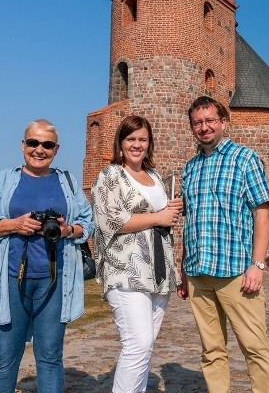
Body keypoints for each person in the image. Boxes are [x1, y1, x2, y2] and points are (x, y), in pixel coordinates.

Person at [0, 119, 94, 393]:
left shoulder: (67, 182)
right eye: (33, 143)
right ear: (23, 145)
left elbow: (88, 224)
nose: (39, 150)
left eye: (47, 144)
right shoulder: (5, 179)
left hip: (55, 281)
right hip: (10, 280)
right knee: (5, 359)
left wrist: (66, 230)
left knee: (51, 358)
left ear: (56, 149)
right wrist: (14, 224)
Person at [176, 96, 269, 393]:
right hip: (199, 274)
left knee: (255, 348)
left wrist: (257, 265)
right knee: (211, 351)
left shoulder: (244, 158)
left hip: (236, 272)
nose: (204, 127)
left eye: (210, 120)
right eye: (198, 122)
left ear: (224, 122)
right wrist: (183, 269)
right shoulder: (190, 168)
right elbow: (190, 222)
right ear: (192, 127)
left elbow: (261, 213)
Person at [91, 115, 182, 393]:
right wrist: (158, 216)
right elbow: (109, 222)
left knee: (145, 347)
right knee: (138, 343)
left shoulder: (154, 177)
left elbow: (164, 220)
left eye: (142, 139)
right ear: (120, 142)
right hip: (125, 270)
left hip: (158, 271)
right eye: (131, 139)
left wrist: (171, 210)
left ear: (149, 143)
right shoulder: (110, 176)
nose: (137, 144)